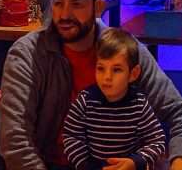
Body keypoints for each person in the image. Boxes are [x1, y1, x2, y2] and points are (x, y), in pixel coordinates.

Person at [0, 0, 182, 170]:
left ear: (98, 7)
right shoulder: (27, 54)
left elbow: (179, 113)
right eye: (58, 3)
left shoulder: (125, 51)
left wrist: (181, 162)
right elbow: (14, 141)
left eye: (76, 4)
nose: (65, 14)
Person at [63, 28, 166, 170]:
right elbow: (71, 136)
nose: (107, 77)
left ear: (133, 74)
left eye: (116, 70)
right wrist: (85, 165)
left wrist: (136, 161)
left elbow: (157, 141)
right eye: (101, 68)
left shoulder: (139, 104)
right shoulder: (85, 101)